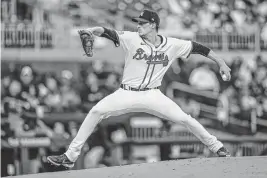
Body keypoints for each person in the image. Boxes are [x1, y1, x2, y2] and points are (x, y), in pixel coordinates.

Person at [47, 9, 231, 168]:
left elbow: (199, 48)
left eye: (142, 23)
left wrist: (221, 62)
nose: (138, 26)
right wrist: (92, 31)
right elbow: (109, 32)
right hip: (126, 93)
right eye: (138, 23)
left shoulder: (172, 44)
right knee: (96, 111)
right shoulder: (132, 38)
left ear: (153, 25)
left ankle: (217, 147)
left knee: (185, 118)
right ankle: (70, 157)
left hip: (153, 94)